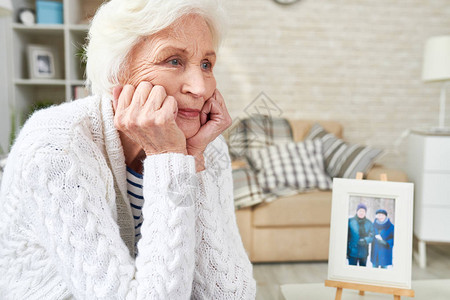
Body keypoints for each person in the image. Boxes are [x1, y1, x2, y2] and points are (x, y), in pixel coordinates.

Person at [0, 0, 256, 299]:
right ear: (118, 70)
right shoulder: (55, 147)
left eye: (206, 64)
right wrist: (169, 160)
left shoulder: (205, 145)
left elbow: (231, 294)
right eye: (174, 60)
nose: (200, 87)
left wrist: (192, 161)